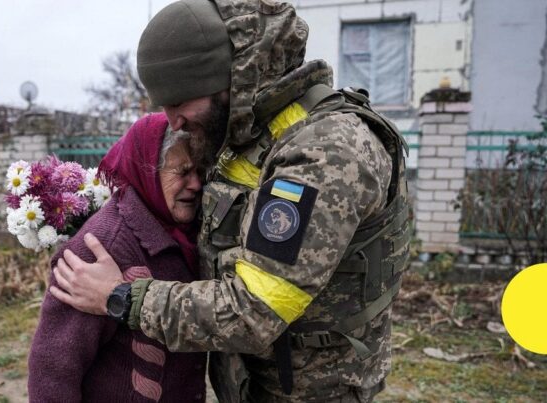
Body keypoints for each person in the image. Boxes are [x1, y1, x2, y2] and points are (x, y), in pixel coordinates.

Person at [49, 0, 411, 401]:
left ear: (226, 81)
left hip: (311, 391)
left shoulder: (324, 151)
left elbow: (253, 311)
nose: (173, 122)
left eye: (178, 101)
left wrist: (120, 297)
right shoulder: (254, 134)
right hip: (256, 384)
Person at [28, 113, 208, 402]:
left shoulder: (185, 234)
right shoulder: (101, 247)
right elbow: (53, 368)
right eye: (182, 171)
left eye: (199, 171)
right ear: (145, 172)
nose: (196, 184)